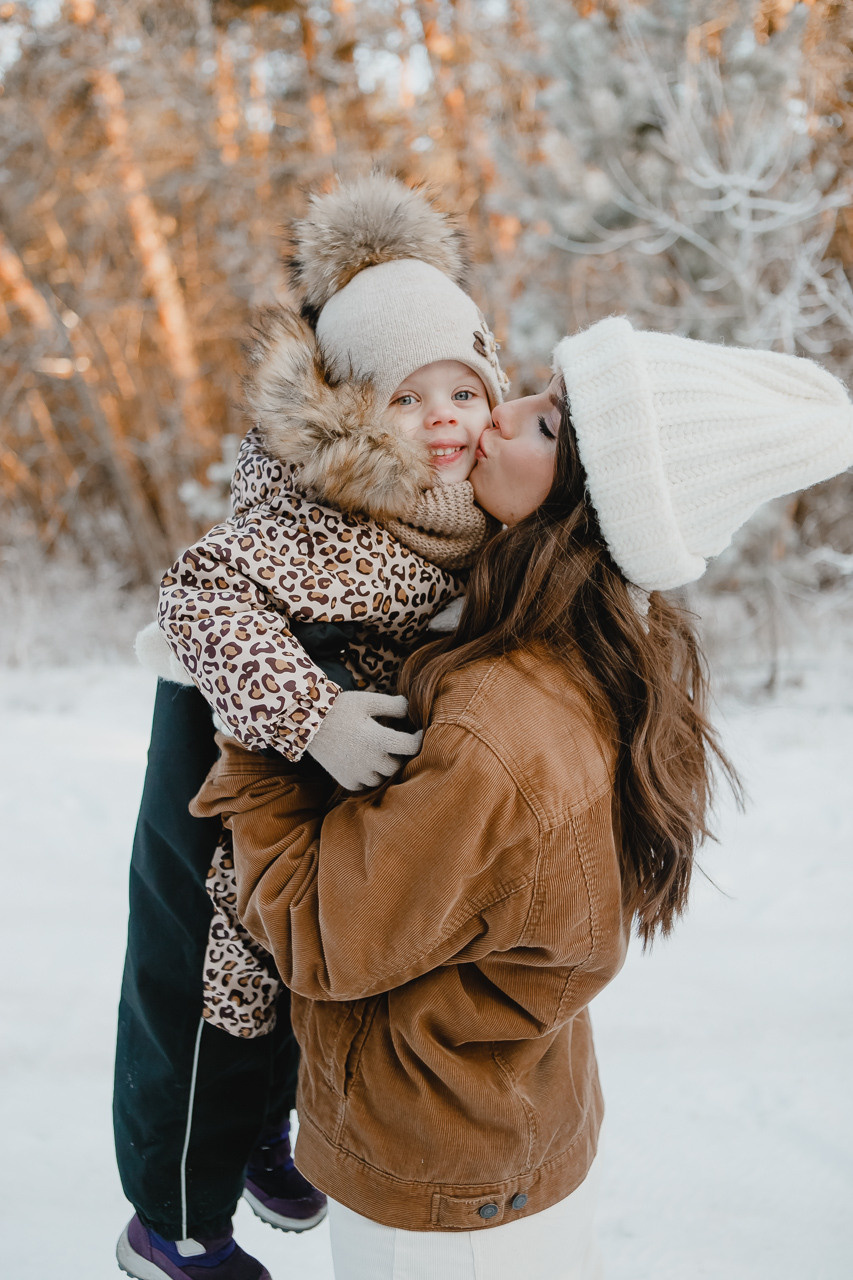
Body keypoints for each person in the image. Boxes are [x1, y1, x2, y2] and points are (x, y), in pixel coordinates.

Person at [190, 316, 853, 1280]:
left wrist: (261, 725)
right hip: (506, 1136)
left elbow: (315, 933)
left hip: (438, 1198)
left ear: (591, 503)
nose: (500, 417)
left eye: (545, 426)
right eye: (536, 394)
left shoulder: (500, 725)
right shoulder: (607, 646)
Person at [114, 173, 509, 1280]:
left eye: (463, 390)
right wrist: (311, 710)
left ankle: (253, 1138)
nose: (442, 419)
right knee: (211, 1000)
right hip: (225, 771)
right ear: (349, 413)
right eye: (404, 398)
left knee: (302, 974)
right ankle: (171, 1222)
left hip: (317, 801)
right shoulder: (326, 514)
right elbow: (197, 590)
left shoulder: (465, 505)